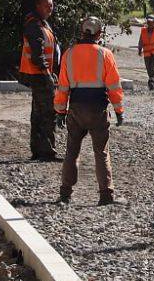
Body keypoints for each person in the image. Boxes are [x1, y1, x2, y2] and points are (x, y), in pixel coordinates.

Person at [53, 16, 126, 206]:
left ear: (82, 31)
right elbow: (114, 87)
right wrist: (119, 110)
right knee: (101, 151)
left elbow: (62, 86)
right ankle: (106, 195)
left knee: (72, 151)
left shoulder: (68, 54)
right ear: (99, 33)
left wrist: (60, 111)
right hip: (98, 109)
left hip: (76, 108)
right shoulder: (105, 54)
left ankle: (65, 194)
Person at [19, 0, 61, 161]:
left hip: (41, 74)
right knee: (47, 113)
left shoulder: (42, 24)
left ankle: (38, 150)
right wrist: (47, 74)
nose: (50, 9)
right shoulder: (34, 25)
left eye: (51, 6)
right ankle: (46, 152)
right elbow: (38, 54)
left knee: (38, 114)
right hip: (39, 75)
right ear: (38, 6)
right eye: (47, 6)